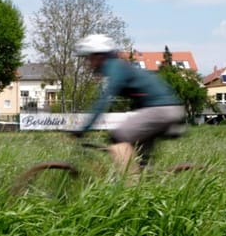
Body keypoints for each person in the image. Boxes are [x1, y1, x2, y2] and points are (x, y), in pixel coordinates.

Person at [72, 34, 186, 179]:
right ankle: (147, 185)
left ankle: (130, 190)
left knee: (119, 136)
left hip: (162, 110)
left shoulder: (115, 67)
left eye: (88, 58)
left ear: (99, 56)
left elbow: (103, 101)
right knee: (141, 162)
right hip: (167, 110)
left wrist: (83, 128)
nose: (87, 63)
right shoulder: (115, 67)